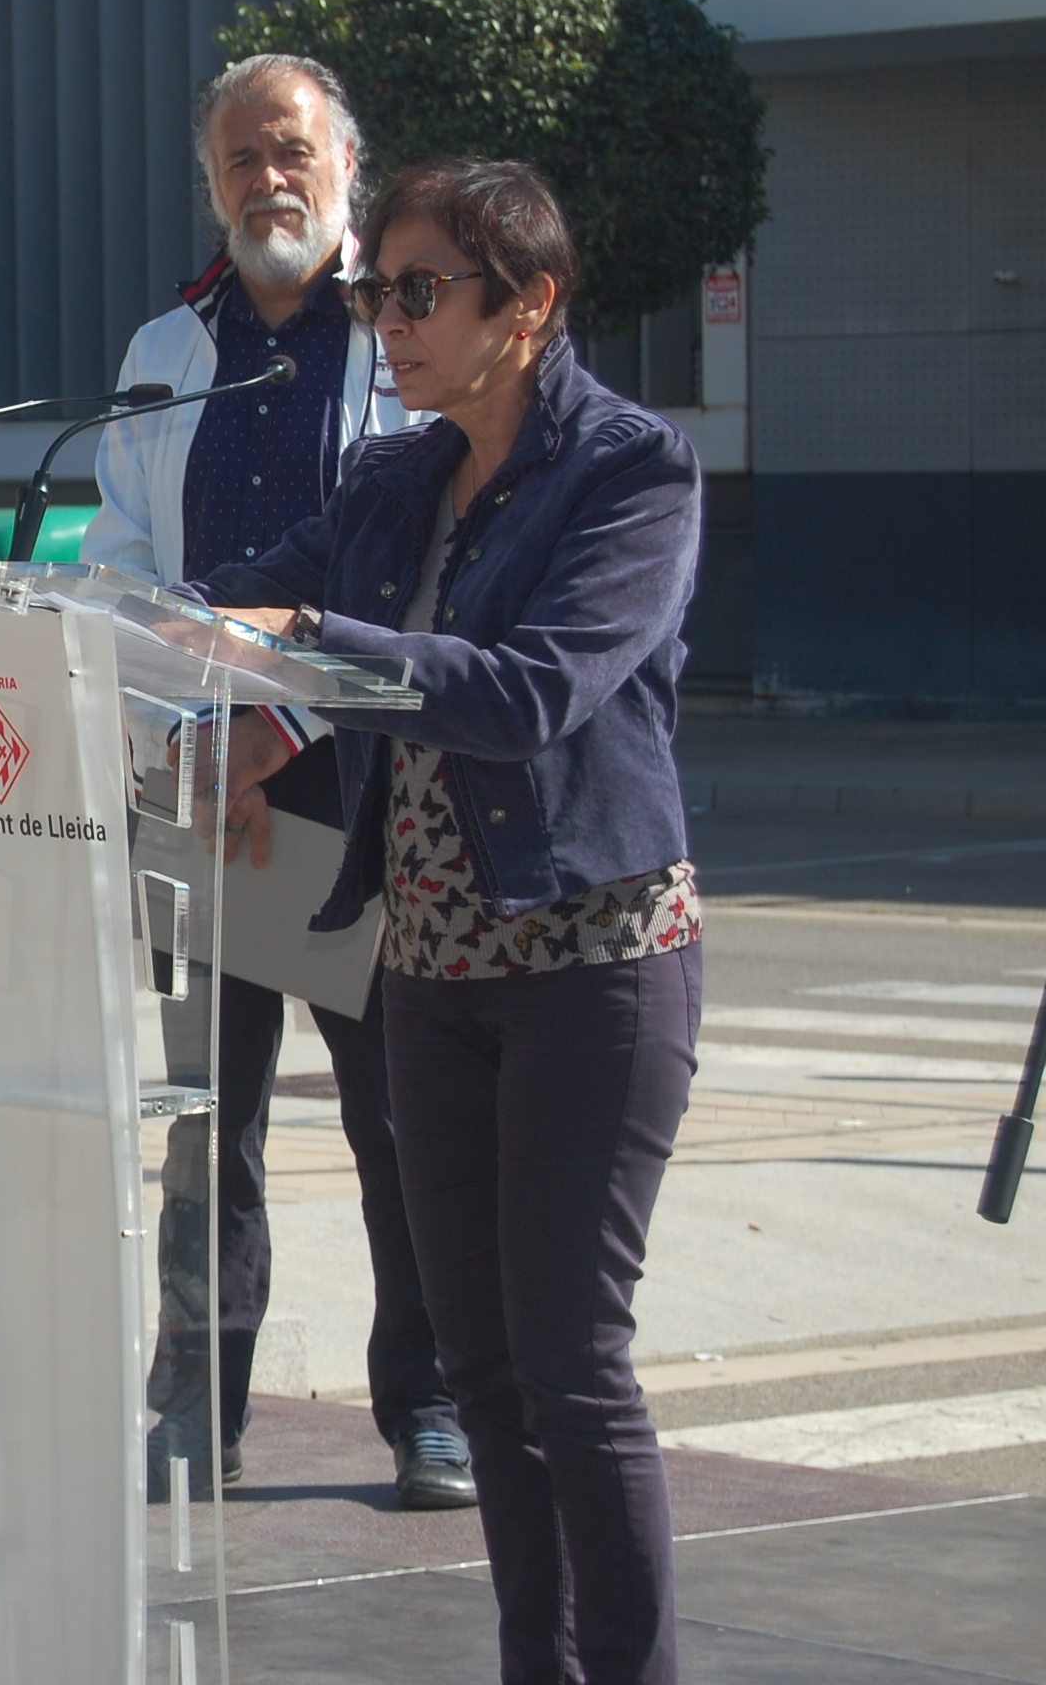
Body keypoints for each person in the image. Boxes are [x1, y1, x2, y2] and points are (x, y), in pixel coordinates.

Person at [191, 157, 703, 1685]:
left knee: (570, 1373)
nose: (388, 323)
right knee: (480, 1375)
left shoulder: (634, 473)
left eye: (421, 291)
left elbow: (535, 692)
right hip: (425, 969)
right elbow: (247, 607)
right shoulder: (393, 479)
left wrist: (307, 642)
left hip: (590, 965)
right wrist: (123, 631)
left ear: (529, 304)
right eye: (378, 291)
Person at [83, 52, 474, 1511]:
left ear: (349, 168)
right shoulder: (165, 347)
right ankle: (198, 1410)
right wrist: (184, 730)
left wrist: (278, 732)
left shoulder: (408, 334)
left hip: (356, 783)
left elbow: (418, 571)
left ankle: (430, 1407)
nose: (270, 180)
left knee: (399, 1121)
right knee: (207, 1124)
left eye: (294, 151)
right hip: (196, 782)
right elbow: (122, 562)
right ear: (211, 184)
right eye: (242, 159)